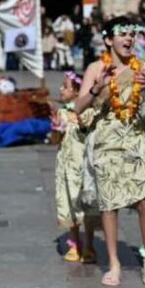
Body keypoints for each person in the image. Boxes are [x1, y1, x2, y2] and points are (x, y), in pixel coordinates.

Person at [75, 17, 145, 287]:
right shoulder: (96, 67)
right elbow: (78, 107)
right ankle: (113, 263)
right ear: (109, 40)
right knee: (109, 204)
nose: (128, 39)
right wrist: (97, 88)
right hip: (106, 142)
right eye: (122, 34)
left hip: (135, 140)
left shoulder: (142, 66)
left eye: (132, 34)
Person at [51, 71, 99, 263]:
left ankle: (89, 244)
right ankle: (74, 242)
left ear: (78, 91)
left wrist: (83, 126)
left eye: (66, 86)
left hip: (82, 167)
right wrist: (55, 129)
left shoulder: (88, 112)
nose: (61, 89)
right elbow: (56, 141)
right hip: (65, 168)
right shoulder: (61, 113)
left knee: (85, 206)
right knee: (69, 205)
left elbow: (91, 136)